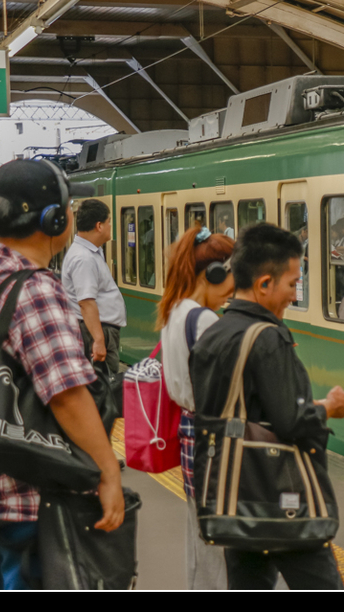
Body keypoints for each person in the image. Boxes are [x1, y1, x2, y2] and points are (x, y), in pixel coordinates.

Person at [0, 159, 123, 589]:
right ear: (54, 218)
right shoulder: (34, 287)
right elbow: (66, 394)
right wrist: (108, 473)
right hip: (33, 500)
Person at [189, 222, 344, 590]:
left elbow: (242, 413)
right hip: (280, 504)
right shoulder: (268, 338)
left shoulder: (214, 335)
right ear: (265, 283)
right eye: (291, 284)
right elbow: (291, 422)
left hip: (236, 500)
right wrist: (328, 408)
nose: (293, 294)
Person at [155, 224, 235, 590]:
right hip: (213, 436)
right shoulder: (202, 319)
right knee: (220, 539)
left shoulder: (174, 311)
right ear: (214, 274)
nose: (232, 292)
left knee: (200, 532)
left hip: (190, 431)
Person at [61, 199, 128, 377]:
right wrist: (98, 340)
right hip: (96, 331)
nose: (110, 227)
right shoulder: (84, 258)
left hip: (99, 328)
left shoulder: (90, 253)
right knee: (103, 385)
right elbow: (86, 302)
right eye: (109, 223)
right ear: (99, 226)